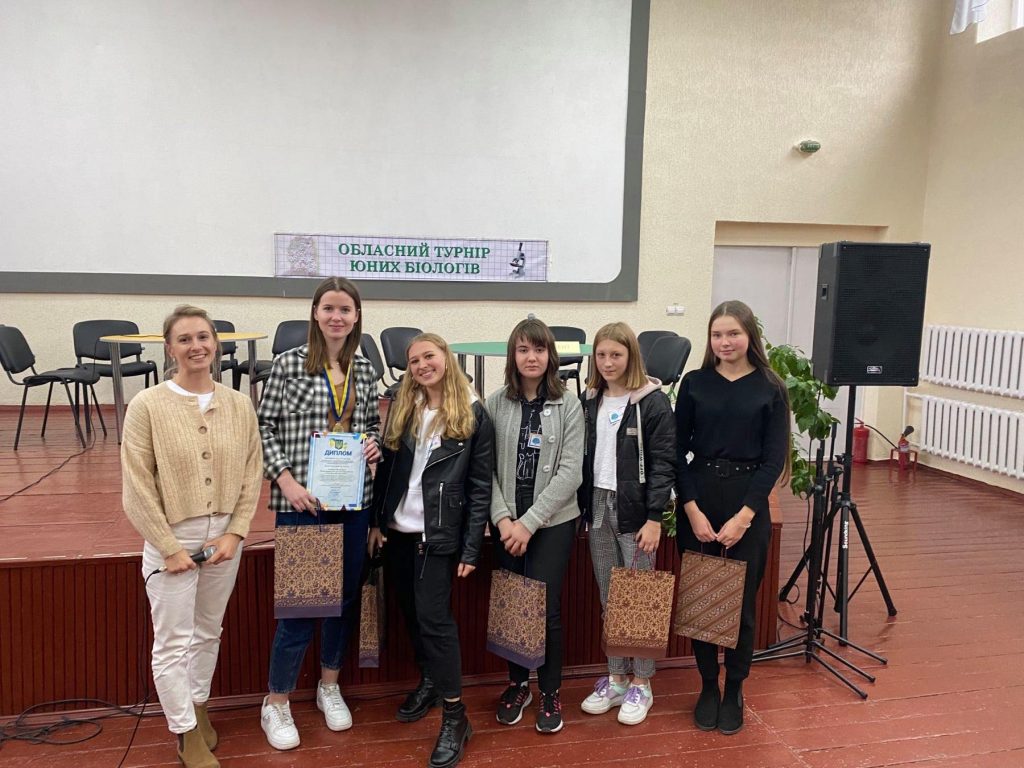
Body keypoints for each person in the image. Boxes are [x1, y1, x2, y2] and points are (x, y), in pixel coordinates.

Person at [122, 305, 262, 768]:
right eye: (184, 339)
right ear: (169, 348)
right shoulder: (147, 405)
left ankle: (198, 706)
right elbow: (137, 486)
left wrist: (236, 532)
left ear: (215, 344)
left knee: (207, 631)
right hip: (172, 540)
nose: (196, 346)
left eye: (203, 337)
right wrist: (168, 547)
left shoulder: (239, 404)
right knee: (172, 641)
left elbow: (251, 472)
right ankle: (184, 732)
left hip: (224, 539)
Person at [257, 277, 382, 750]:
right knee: (301, 606)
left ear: (356, 317)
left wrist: (373, 445)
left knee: (344, 600)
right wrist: (285, 481)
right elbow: (262, 427)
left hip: (352, 502)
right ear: (315, 313)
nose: (337, 316)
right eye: (329, 308)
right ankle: (276, 701)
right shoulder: (288, 364)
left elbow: (371, 424)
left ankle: (329, 685)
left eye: (345, 309)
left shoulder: (365, 369)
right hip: (303, 501)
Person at [370, 332, 494, 768]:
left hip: (436, 535)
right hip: (398, 531)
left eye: (429, 356)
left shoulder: (473, 413)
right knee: (411, 613)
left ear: (446, 357)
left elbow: (479, 487)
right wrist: (376, 521)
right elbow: (389, 470)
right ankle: (430, 681)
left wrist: (471, 548)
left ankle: (456, 716)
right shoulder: (404, 407)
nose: (422, 365)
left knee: (435, 621)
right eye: (414, 360)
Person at [674, 300, 790, 735]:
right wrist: (691, 508)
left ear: (749, 336)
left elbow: (773, 460)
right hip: (700, 496)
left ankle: (735, 688)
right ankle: (708, 685)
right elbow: (675, 451)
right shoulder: (695, 383)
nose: (725, 342)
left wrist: (744, 517)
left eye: (733, 333)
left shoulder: (770, 387)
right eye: (717, 334)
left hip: (748, 500)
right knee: (702, 599)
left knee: (740, 606)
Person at [485, 318, 583, 734]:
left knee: (545, 607)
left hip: (553, 520)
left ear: (550, 356)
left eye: (539, 349)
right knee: (512, 602)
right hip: (506, 521)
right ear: (513, 355)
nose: (531, 357)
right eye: (523, 349)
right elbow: (484, 469)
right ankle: (518, 684)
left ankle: (550, 690)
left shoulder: (569, 405)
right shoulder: (495, 403)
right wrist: (503, 518)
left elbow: (571, 472)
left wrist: (528, 523)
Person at [577, 321, 676, 726]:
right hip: (597, 506)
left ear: (630, 356)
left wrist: (654, 517)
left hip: (635, 510)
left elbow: (664, 463)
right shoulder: (589, 399)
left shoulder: (652, 402)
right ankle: (617, 677)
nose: (607, 362)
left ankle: (642, 683)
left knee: (639, 596)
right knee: (610, 596)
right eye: (601, 355)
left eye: (616, 355)